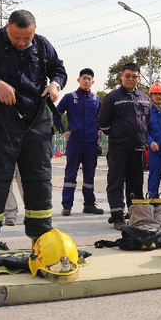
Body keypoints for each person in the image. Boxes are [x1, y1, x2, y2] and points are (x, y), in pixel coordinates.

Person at [0, 10, 66, 253]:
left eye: (26, 38)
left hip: (37, 118)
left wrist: (55, 84)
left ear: (35, 31)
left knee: (39, 178)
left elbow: (59, 69)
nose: (21, 43)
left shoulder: (41, 45)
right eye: (16, 38)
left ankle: (40, 237)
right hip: (2, 117)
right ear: (8, 28)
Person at [97, 63, 151, 230]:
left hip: (138, 148)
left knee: (136, 184)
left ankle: (136, 215)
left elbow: (147, 121)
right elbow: (103, 123)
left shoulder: (144, 97)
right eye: (127, 76)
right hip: (118, 148)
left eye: (134, 76)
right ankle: (117, 216)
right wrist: (118, 133)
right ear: (121, 77)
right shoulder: (112, 98)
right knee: (116, 182)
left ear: (139, 78)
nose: (130, 79)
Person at [55, 68, 104, 216]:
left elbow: (102, 119)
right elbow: (56, 114)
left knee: (89, 175)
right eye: (84, 78)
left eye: (89, 79)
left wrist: (100, 131)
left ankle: (89, 204)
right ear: (78, 80)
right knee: (71, 174)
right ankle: (67, 205)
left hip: (91, 143)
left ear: (93, 82)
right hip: (75, 142)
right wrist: (62, 130)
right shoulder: (70, 98)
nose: (87, 81)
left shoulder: (96, 99)